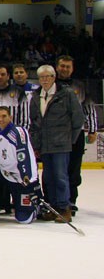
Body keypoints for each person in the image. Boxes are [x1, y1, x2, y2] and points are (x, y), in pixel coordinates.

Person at [29, 65, 84, 222]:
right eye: (42, 77)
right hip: (45, 145)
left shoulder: (66, 94)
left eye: (48, 76)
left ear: (54, 77)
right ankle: (52, 208)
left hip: (61, 144)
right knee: (48, 178)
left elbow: (78, 119)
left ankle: (64, 208)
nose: (45, 80)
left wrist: (70, 139)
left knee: (61, 177)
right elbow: (34, 123)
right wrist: (36, 145)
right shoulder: (36, 96)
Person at [55, 55, 98, 213]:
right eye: (62, 66)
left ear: (72, 69)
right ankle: (54, 199)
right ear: (57, 67)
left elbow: (89, 109)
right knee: (56, 169)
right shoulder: (51, 85)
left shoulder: (80, 86)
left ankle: (71, 200)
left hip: (76, 134)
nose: (65, 69)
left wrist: (92, 130)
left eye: (68, 66)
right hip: (55, 134)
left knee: (73, 169)